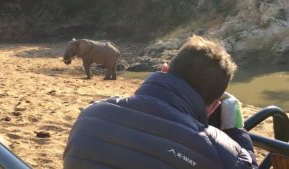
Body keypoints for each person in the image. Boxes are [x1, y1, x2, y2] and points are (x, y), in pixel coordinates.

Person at [63, 35, 258, 169]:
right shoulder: (221, 155)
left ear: (164, 70)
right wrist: (235, 132)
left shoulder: (90, 115)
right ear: (214, 106)